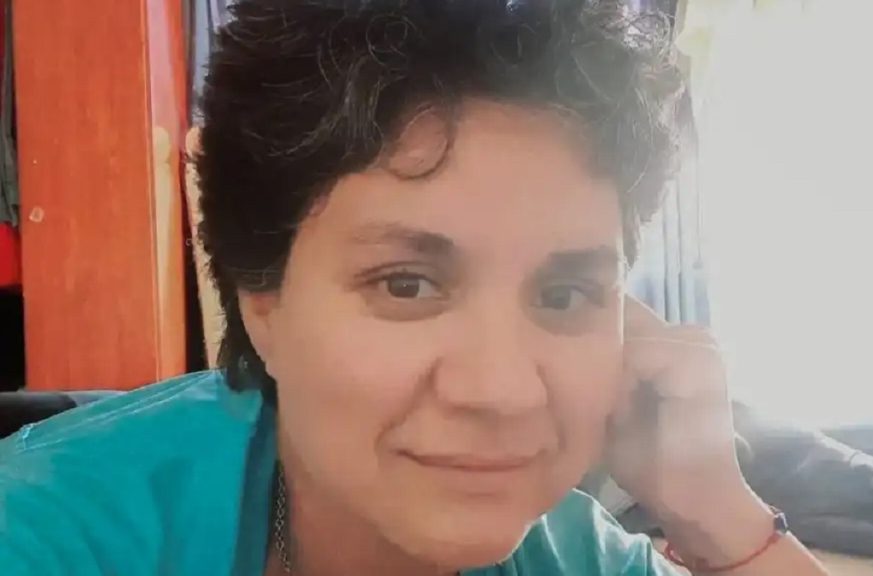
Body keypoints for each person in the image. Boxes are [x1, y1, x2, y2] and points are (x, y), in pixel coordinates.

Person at [0, 1, 830, 575]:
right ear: (262, 301)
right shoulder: (44, 537)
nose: (503, 391)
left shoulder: (564, 548)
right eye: (406, 284)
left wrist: (718, 516)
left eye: (565, 295)